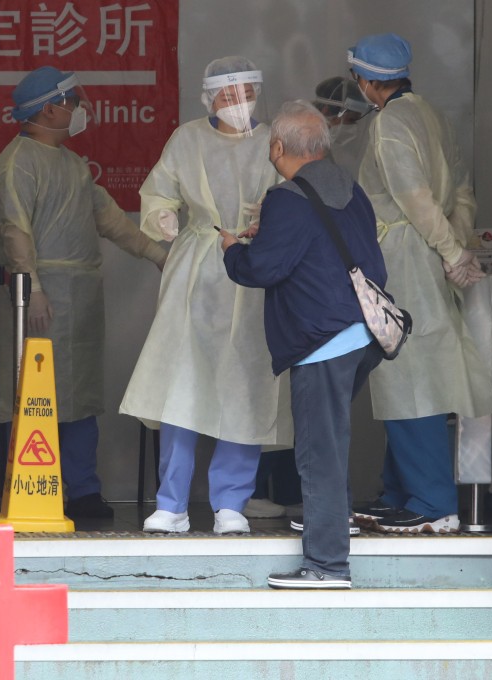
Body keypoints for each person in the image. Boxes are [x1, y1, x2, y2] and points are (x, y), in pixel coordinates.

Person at [120, 56, 292, 535]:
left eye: (246, 94)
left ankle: (231, 503)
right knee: (182, 382)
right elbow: (159, 191)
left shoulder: (272, 141)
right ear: (209, 99)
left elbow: (294, 192)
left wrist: (272, 216)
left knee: (246, 383)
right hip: (196, 268)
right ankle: (171, 502)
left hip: (252, 268)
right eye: (228, 95)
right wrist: (162, 217)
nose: (238, 103)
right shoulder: (187, 138)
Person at [0, 66, 168, 519]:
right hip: (43, 300)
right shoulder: (17, 163)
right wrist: (32, 288)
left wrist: (157, 254)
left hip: (80, 300)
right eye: (71, 101)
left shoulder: (72, 164)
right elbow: (15, 230)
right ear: (49, 109)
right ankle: (29, 488)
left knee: (80, 397)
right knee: (36, 396)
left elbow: (107, 217)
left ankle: (83, 489)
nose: (79, 109)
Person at [221, 100, 386, 588]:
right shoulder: (350, 189)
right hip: (362, 336)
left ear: (277, 147)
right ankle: (331, 521)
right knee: (329, 440)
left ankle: (327, 564)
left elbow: (262, 268)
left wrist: (233, 250)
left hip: (322, 341)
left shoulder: (286, 198)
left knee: (319, 452)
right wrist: (270, 234)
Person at [347, 33, 492, 533]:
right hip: (430, 255)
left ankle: (433, 502)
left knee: (411, 382)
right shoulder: (433, 115)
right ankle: (400, 492)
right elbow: (461, 190)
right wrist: (456, 247)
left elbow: (414, 198)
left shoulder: (389, 123)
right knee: (410, 377)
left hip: (405, 258)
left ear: (368, 81)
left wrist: (451, 253)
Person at [313, 76, 375, 177]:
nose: (354, 126)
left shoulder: (326, 151)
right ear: (326, 111)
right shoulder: (298, 146)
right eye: (351, 120)